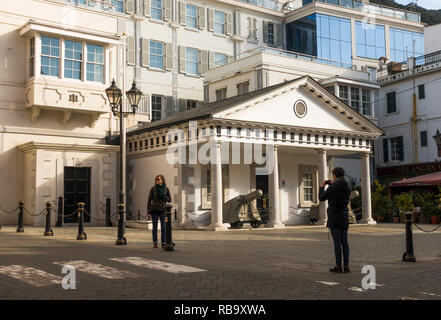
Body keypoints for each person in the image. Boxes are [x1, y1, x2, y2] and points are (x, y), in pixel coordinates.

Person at [318, 167, 352, 273]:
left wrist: (321, 187)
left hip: (334, 216)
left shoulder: (333, 187)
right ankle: (346, 267)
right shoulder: (347, 185)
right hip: (344, 215)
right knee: (344, 242)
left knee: (337, 242)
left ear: (334, 175)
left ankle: (338, 266)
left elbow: (322, 198)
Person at [147, 174, 172, 248]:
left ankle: (163, 242)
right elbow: (149, 200)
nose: (158, 181)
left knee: (163, 227)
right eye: (156, 179)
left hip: (163, 210)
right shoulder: (153, 189)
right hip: (154, 210)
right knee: (154, 227)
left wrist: (164, 196)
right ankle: (155, 242)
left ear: (162, 180)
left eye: (159, 179)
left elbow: (170, 199)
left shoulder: (166, 189)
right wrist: (148, 212)